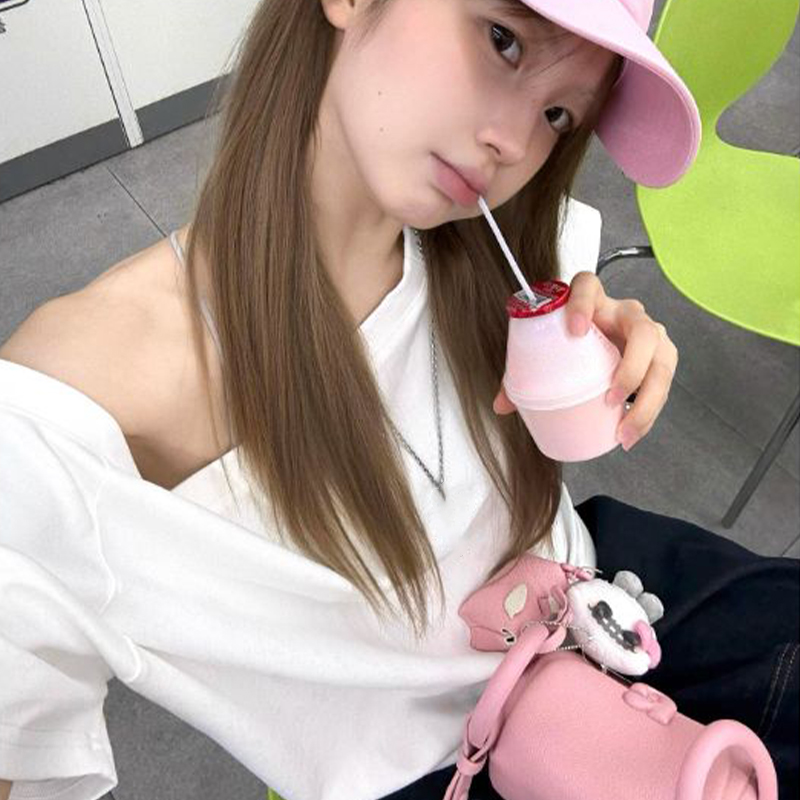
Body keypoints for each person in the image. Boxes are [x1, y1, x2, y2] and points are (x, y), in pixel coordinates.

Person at [0, 1, 796, 799]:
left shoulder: (489, 251)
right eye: (503, 40)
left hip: (607, 593)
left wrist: (588, 357)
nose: (517, 144)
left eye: (559, 115)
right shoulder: (75, 396)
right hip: (445, 765)